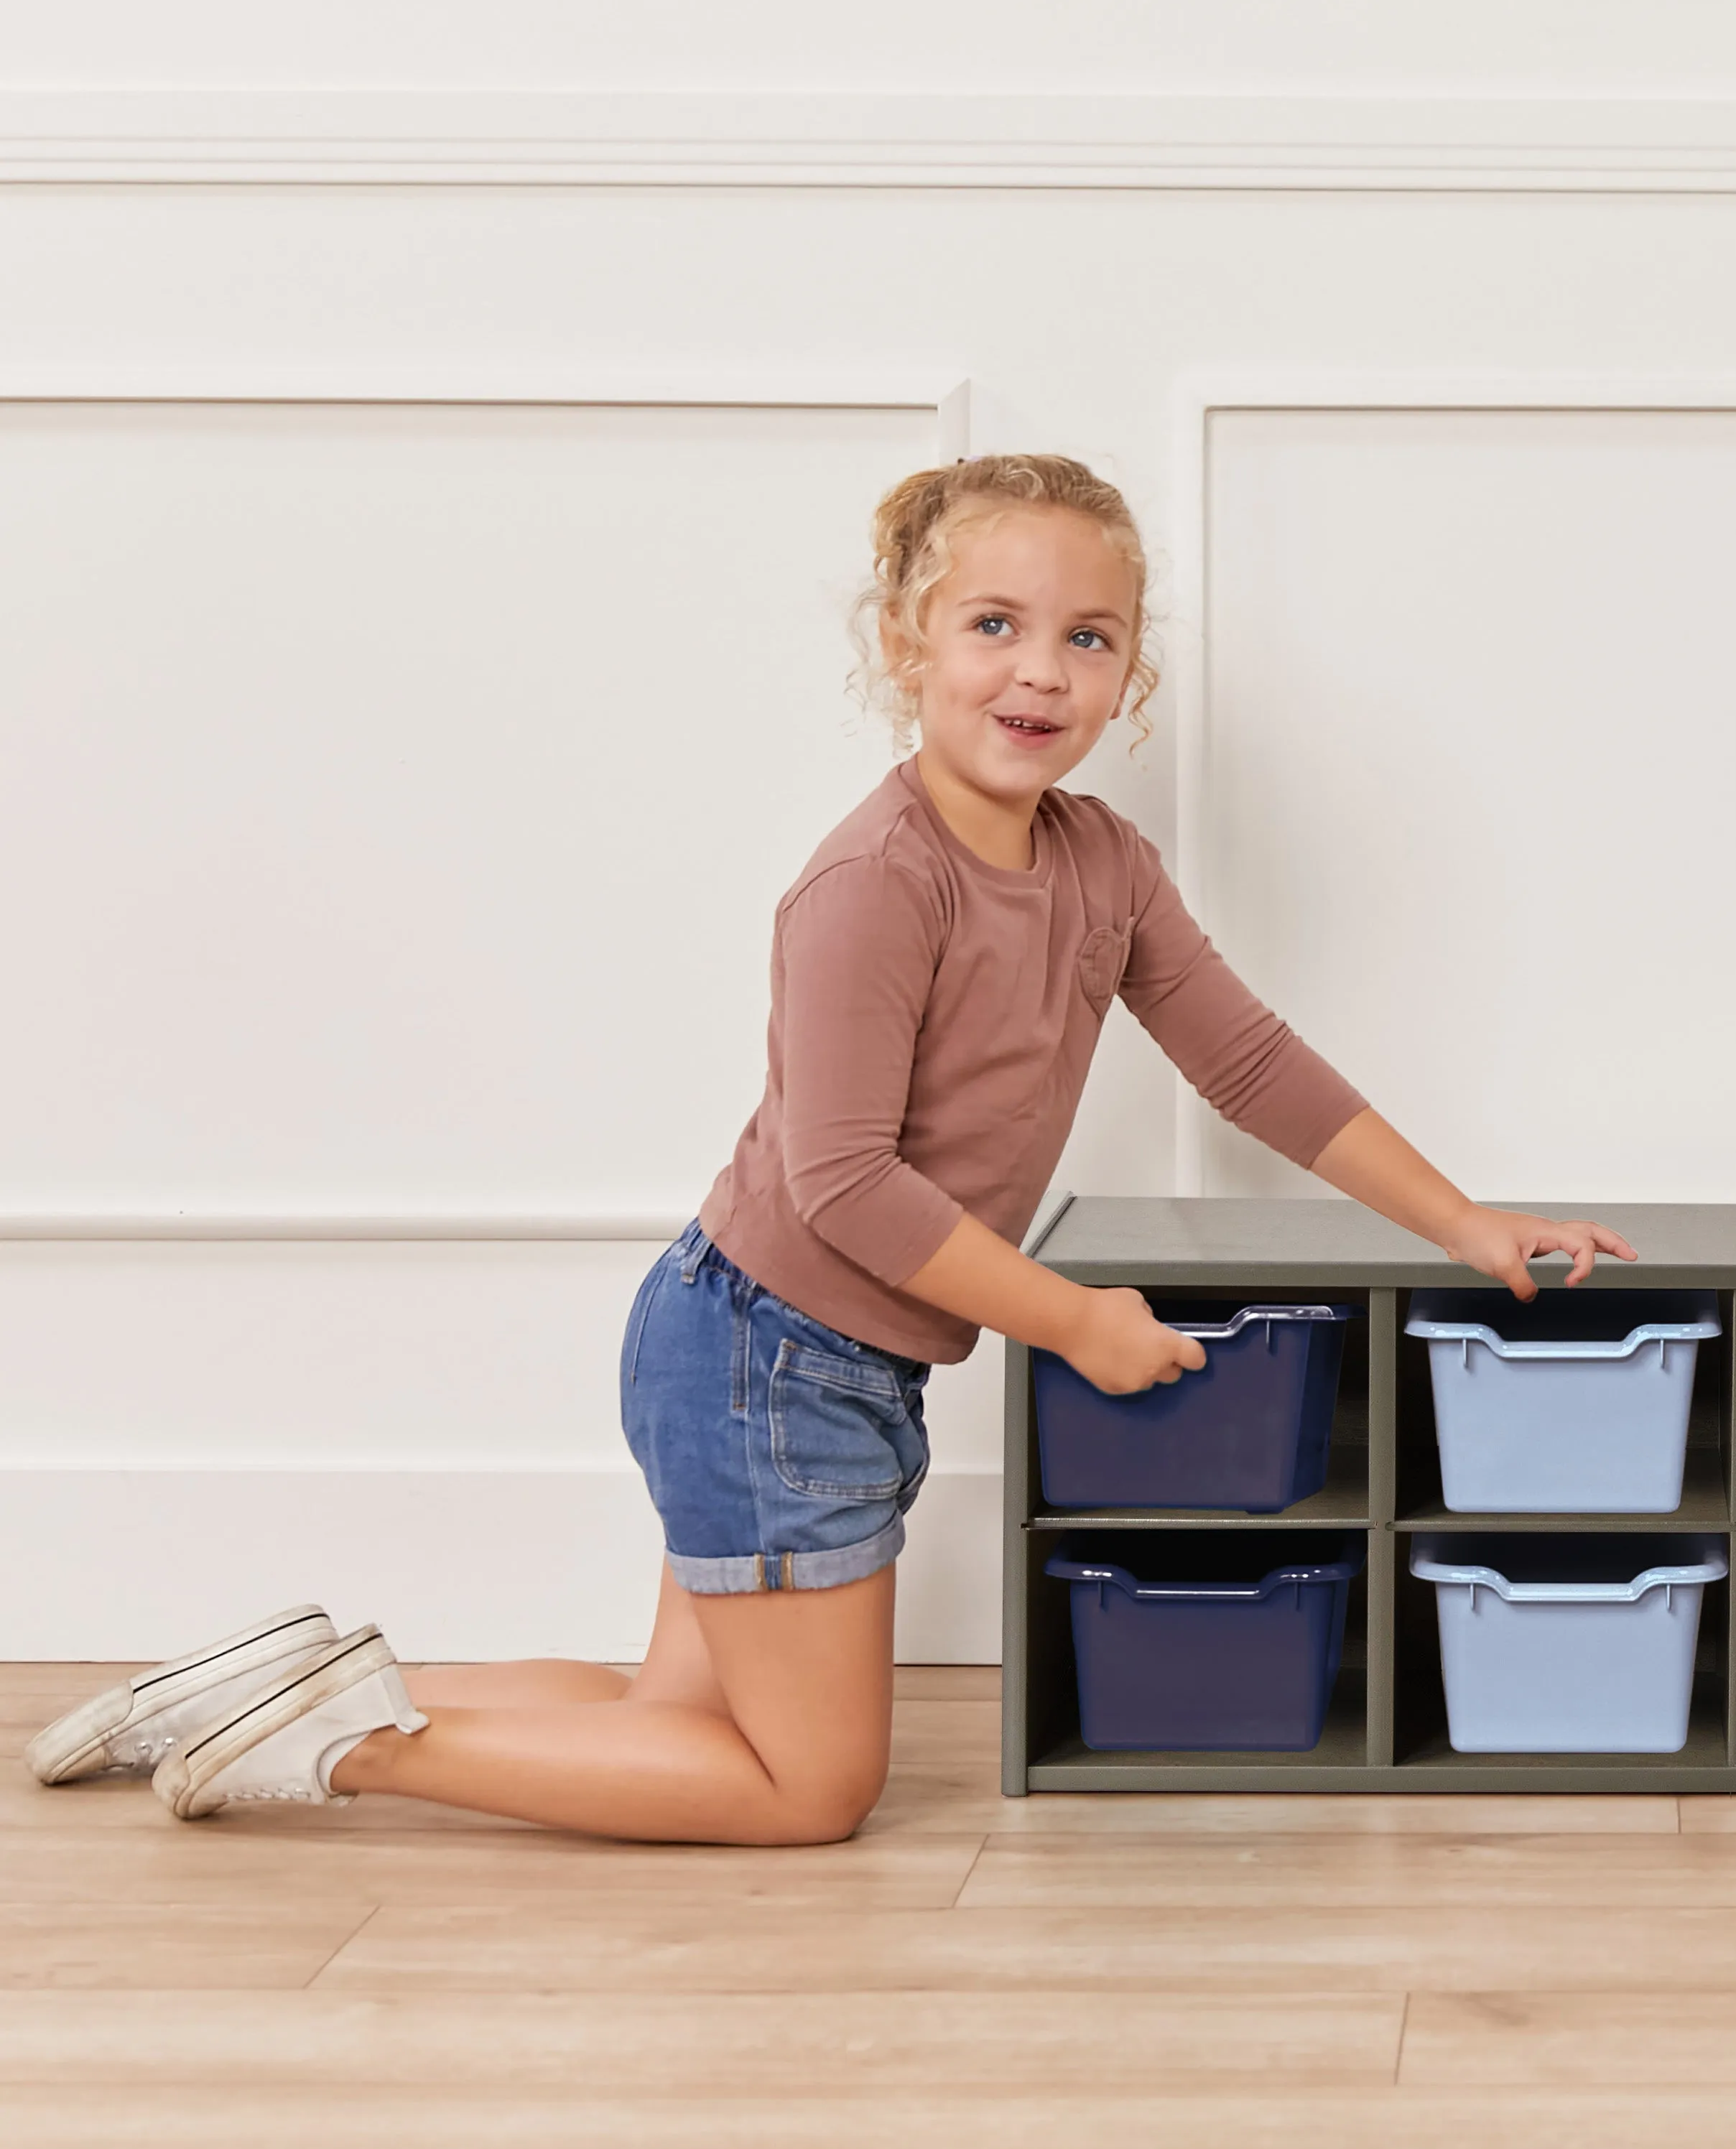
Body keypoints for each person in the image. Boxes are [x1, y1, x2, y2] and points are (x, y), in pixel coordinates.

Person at [28, 453, 1632, 1842]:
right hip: (763, 1354)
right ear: (904, 643)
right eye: (992, 625)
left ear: (1130, 675)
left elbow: (1248, 1058)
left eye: (1087, 637)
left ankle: (244, 1686)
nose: (1039, 672)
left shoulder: (1103, 865)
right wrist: (1073, 1320)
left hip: (802, 1356)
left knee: (671, 1701)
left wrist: (1463, 1220)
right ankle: (350, 1748)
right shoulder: (877, 880)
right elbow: (843, 1181)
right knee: (807, 1785)